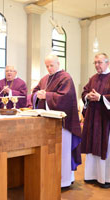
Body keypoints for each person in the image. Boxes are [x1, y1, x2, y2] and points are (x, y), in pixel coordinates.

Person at [32, 54, 81, 188]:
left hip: (62, 125)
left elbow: (66, 98)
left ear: (58, 63)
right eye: (46, 66)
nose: (49, 68)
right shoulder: (45, 78)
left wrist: (46, 95)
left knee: (63, 152)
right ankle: (50, 178)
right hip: (46, 124)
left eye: (51, 65)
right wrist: (37, 95)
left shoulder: (65, 78)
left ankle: (64, 181)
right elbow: (35, 92)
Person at [81, 53, 110, 188]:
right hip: (93, 119)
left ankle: (105, 178)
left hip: (106, 120)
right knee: (92, 146)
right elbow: (84, 91)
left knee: (105, 147)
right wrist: (88, 96)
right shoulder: (93, 78)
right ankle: (92, 175)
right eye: (95, 63)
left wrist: (101, 98)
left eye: (99, 62)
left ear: (107, 63)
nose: (97, 65)